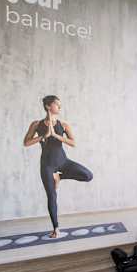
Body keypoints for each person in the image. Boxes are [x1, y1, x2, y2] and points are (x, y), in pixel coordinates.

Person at [23, 95, 92, 238]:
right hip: (47, 165)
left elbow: (73, 143)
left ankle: (59, 176)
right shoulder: (36, 124)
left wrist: (55, 135)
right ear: (48, 106)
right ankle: (56, 229)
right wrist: (44, 136)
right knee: (52, 196)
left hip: (63, 161)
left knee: (88, 175)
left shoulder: (64, 124)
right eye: (57, 104)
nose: (60, 107)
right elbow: (26, 142)